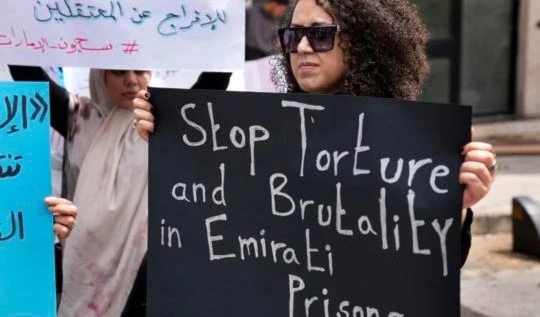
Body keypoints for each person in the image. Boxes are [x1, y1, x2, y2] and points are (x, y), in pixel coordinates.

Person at [135, 0, 497, 265]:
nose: (303, 48)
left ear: (365, 41)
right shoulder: (258, 130)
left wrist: (455, 209)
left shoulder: (409, 142)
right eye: (293, 36)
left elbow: (428, 269)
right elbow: (217, 219)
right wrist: (169, 135)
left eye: (321, 34)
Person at [9, 65, 230, 317]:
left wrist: (226, 37)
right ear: (100, 76)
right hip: (82, 270)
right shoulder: (77, 117)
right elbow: (25, 69)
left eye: (140, 71)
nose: (131, 81)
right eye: (118, 72)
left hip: (149, 281)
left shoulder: (170, 120)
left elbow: (217, 75)